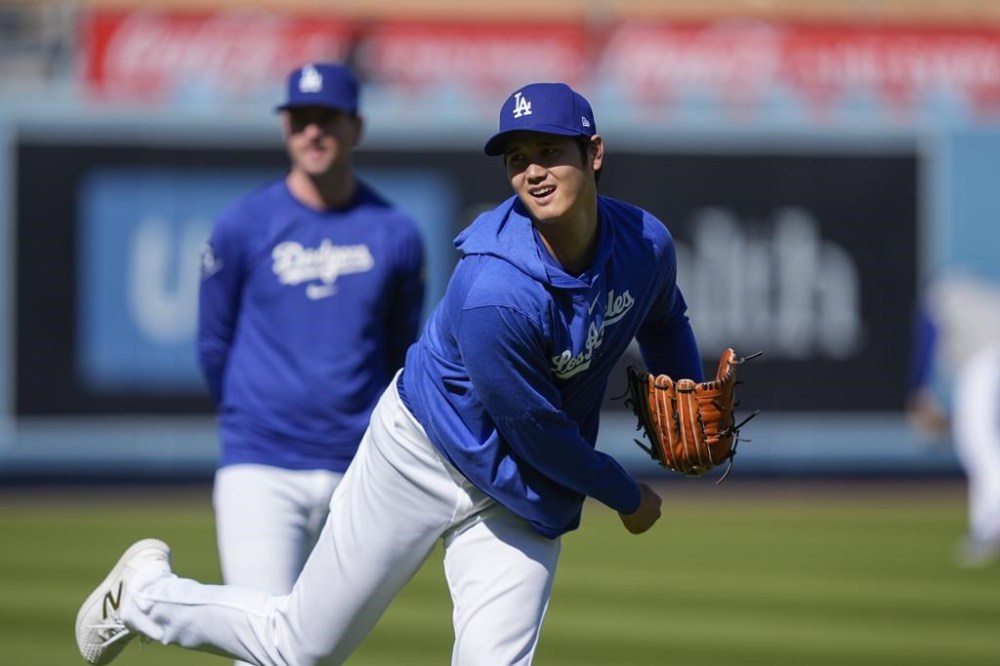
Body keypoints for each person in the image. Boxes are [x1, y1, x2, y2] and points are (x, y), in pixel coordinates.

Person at [75, 81, 705, 666]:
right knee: (301, 649)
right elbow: (537, 429)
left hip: (519, 493)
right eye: (517, 158)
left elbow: (664, 318)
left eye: (549, 150)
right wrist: (625, 494)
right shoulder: (494, 290)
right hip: (421, 456)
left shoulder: (645, 242)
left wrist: (686, 388)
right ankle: (143, 595)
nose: (533, 170)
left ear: (593, 152)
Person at [197, 59, 426, 666]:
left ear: (357, 127)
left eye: (328, 118)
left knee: (316, 652)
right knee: (268, 651)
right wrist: (255, 416)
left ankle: (148, 598)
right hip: (261, 465)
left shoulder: (395, 232)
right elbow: (213, 345)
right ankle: (146, 599)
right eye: (301, 119)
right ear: (286, 128)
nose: (313, 132)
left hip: (359, 469)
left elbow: (402, 349)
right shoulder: (243, 224)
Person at [907, 270, 1000, 567]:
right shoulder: (967, 292)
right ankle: (986, 527)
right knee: (981, 443)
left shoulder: (938, 296)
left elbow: (928, 341)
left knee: (978, 444)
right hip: (989, 355)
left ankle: (991, 523)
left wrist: (917, 390)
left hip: (988, 356)